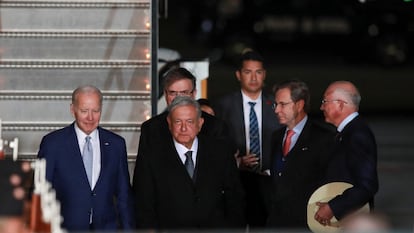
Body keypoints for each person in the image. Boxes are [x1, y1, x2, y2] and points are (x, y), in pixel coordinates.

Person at [133, 96, 245, 230]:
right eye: (178, 122)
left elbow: (234, 197)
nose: (184, 128)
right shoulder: (152, 155)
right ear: (169, 123)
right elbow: (143, 204)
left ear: (200, 123)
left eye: (190, 122)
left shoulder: (220, 151)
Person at [37, 85, 134, 231]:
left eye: (96, 111)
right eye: (84, 111)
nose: (90, 117)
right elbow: (41, 193)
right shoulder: (53, 144)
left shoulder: (116, 144)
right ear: (72, 110)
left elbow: (123, 196)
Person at [214, 50, 281, 228]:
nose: (253, 78)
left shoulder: (277, 106)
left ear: (264, 75)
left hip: (269, 183)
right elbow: (216, 144)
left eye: (258, 72)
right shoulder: (224, 106)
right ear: (238, 75)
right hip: (237, 182)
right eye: (247, 72)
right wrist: (236, 162)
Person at [266, 80, 335, 229]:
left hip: (308, 224)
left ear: (299, 105)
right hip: (276, 223)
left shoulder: (324, 138)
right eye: (275, 105)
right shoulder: (276, 137)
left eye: (283, 104)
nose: (276, 110)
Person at [314, 80, 379, 226]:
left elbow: (367, 185)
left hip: (351, 222)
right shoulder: (349, 132)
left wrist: (333, 207)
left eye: (325, 101)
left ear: (341, 104)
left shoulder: (357, 135)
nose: (321, 107)